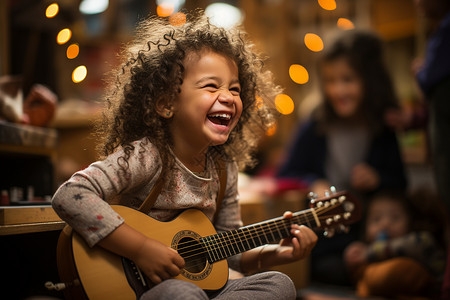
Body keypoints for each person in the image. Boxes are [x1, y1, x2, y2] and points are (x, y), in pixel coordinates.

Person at [51, 12, 318, 300]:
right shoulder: (146, 156)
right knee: (183, 292)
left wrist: (277, 252)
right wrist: (140, 248)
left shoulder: (222, 170)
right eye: (211, 86)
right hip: (140, 289)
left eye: (235, 88)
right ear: (166, 103)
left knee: (278, 285)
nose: (228, 96)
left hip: (198, 291)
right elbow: (70, 194)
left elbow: (230, 253)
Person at [276, 29, 408, 285]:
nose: (338, 90)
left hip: (370, 235)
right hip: (324, 240)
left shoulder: (382, 127)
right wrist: (314, 182)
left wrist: (377, 179)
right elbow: (285, 174)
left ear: (369, 80)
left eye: (348, 79)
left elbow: (400, 184)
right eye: (330, 81)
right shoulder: (315, 124)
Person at [344, 190, 447, 298]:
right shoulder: (371, 254)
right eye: (376, 219)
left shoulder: (419, 241)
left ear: (410, 222)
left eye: (395, 217)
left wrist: (368, 253)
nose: (385, 224)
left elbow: (413, 245)